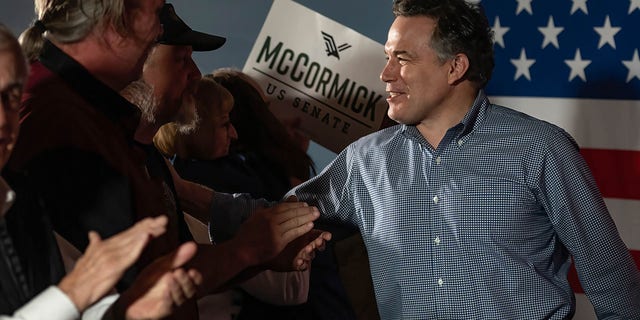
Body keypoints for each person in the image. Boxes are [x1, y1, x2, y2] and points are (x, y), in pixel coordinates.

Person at [211, 0, 640, 318]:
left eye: (403, 58)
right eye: (386, 58)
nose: (385, 75)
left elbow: (611, 279)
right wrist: (188, 194)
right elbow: (277, 218)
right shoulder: (365, 161)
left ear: (454, 68)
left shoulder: (540, 149)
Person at [6, 1, 326, 318]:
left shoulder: (101, 120)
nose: (160, 27)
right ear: (117, 18)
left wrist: (255, 254)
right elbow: (138, 283)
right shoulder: (58, 120)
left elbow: (159, 265)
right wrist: (247, 250)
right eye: (154, 11)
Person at [0, 22, 202, 320]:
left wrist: (129, 307)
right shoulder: (61, 131)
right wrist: (75, 293)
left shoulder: (20, 197)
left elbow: (72, 295)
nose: (4, 118)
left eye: (11, 98)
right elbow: (70, 294)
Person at [152, 76, 310, 320]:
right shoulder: (203, 189)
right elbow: (290, 288)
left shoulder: (175, 178)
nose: (234, 134)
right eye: (224, 124)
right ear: (194, 129)